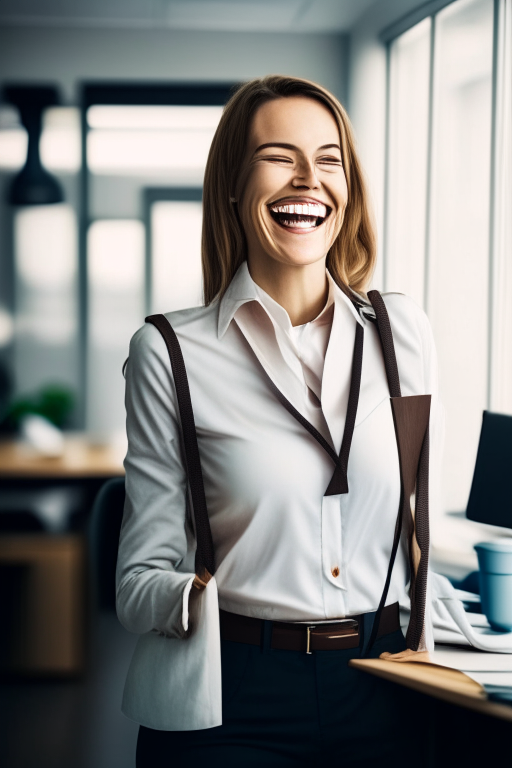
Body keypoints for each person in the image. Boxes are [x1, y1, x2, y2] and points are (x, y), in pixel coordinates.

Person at [116, 75, 442, 767]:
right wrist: (204, 590)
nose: (308, 179)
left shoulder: (402, 332)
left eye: (329, 159)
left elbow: (412, 526)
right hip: (236, 692)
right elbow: (136, 583)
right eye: (278, 155)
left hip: (387, 684)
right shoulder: (170, 352)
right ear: (233, 184)